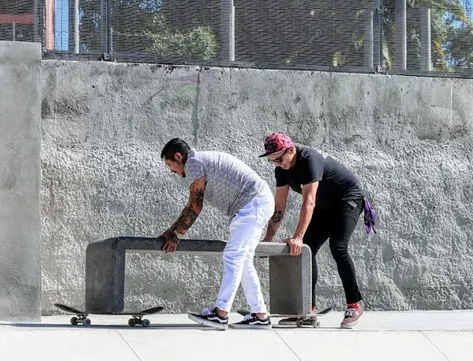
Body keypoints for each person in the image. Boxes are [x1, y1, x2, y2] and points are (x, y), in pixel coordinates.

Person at [260, 132, 374, 328]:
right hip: (325, 205)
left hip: (347, 199)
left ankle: (354, 305)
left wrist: (297, 236)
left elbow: (309, 202)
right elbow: (279, 208)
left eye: (280, 158)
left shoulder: (309, 159)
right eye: (273, 161)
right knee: (307, 249)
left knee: (338, 246)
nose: (278, 163)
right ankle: (308, 310)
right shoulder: (281, 170)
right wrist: (267, 239)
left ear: (291, 150)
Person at [160, 138, 275, 329]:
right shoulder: (199, 161)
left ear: (178, 157)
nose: (171, 171)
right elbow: (191, 205)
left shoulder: (193, 163)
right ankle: (260, 315)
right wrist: (171, 231)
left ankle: (221, 313)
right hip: (257, 203)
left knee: (232, 257)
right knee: (243, 260)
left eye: (170, 165)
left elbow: (196, 206)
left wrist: (176, 236)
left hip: (252, 204)